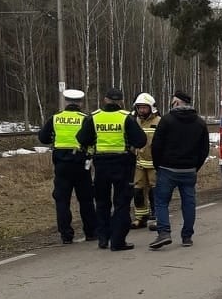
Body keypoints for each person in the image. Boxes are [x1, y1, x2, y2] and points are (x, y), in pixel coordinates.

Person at [77, 86, 147, 252]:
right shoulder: (126, 118)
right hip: (123, 163)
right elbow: (141, 140)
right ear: (121, 101)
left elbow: (81, 138)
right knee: (121, 203)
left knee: (102, 202)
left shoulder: (93, 117)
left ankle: (103, 238)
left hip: (101, 164)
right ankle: (118, 241)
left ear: (105, 100)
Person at [149, 89, 210, 250]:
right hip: (189, 170)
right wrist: (195, 166)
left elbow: (156, 145)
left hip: (167, 168)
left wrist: (158, 165)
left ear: (176, 102)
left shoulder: (167, 120)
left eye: (172, 100)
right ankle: (187, 236)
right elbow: (204, 149)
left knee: (161, 202)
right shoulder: (199, 122)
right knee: (188, 203)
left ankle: (164, 233)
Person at [37, 88, 97, 244]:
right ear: (80, 103)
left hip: (61, 165)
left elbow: (43, 138)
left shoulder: (55, 118)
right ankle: (91, 232)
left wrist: (55, 138)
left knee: (62, 200)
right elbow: (93, 139)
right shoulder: (86, 119)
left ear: (66, 102)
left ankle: (66, 235)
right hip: (81, 164)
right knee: (86, 199)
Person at [130, 93, 161, 229]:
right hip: (139, 163)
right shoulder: (134, 121)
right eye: (139, 108)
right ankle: (140, 217)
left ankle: (157, 216)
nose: (142, 110)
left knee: (155, 192)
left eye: (144, 108)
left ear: (151, 108)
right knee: (138, 191)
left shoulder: (159, 121)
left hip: (154, 163)